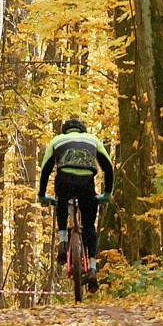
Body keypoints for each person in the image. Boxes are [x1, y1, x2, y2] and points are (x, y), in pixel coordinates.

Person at [36, 118, 115, 284]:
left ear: (66, 131)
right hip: (87, 182)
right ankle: (92, 267)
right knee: (88, 226)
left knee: (62, 202)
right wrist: (107, 192)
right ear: (82, 131)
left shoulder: (57, 140)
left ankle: (63, 242)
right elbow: (108, 167)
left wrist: (42, 195)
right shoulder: (93, 140)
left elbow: (46, 169)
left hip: (64, 179)